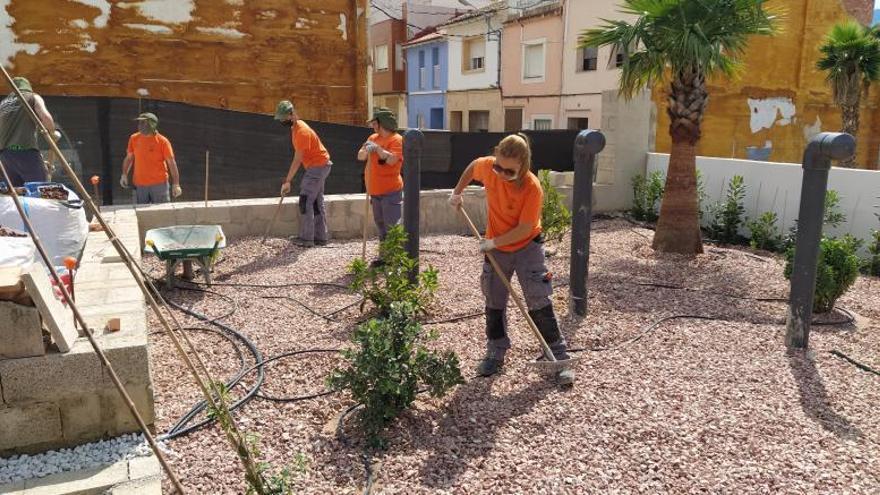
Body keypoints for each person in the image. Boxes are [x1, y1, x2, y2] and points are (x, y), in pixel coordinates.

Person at [448, 133, 574, 385]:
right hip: (497, 249)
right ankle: (495, 352)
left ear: (523, 166)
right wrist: (457, 192)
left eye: (509, 171)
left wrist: (493, 242)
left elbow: (525, 229)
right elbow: (473, 167)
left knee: (538, 298)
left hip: (527, 246)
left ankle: (557, 355)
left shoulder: (531, 187)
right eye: (498, 167)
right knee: (494, 300)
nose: (501, 174)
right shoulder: (488, 167)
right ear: (495, 156)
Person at [275, 100, 332, 247]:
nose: (281, 121)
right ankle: (320, 237)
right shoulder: (295, 127)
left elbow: (297, 160)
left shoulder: (301, 131)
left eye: (283, 118)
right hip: (321, 165)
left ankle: (306, 238)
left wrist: (287, 181)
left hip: (317, 167)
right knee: (316, 202)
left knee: (305, 200)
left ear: (291, 114)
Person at [357, 107, 403, 259]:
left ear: (381, 123)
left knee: (393, 227)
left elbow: (392, 160)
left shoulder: (396, 139)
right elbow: (360, 156)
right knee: (381, 225)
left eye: (374, 123)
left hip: (390, 192)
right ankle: (384, 258)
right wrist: (367, 149)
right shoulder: (372, 138)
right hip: (374, 191)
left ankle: (396, 260)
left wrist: (378, 150)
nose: (373, 126)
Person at [0, 77, 58, 187]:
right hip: (25, 151)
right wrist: (52, 132)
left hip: (5, 156)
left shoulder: (3, 104)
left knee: (16, 193)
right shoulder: (32, 97)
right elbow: (45, 117)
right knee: (40, 190)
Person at [120, 112, 182, 204]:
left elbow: (171, 163)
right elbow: (129, 158)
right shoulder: (133, 138)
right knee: (140, 214)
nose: (140, 126)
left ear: (152, 124)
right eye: (139, 123)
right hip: (140, 186)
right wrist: (124, 174)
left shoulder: (162, 141)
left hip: (159, 185)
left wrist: (176, 184)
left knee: (162, 214)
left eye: (143, 123)